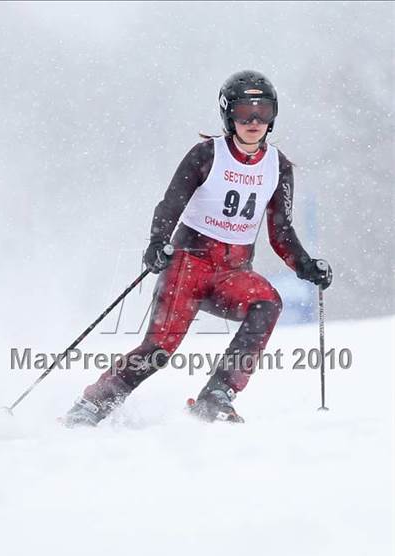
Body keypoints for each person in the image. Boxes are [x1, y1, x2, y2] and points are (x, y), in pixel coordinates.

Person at [64, 70, 333, 427]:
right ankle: (91, 405)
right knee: (159, 350)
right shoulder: (207, 155)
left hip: (233, 274)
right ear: (227, 114)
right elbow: (171, 204)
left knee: (267, 303)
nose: (253, 121)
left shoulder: (278, 166)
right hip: (188, 267)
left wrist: (305, 265)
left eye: (263, 111)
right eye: (244, 112)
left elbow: (280, 232)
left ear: (273, 115)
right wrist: (157, 243)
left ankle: (216, 397)